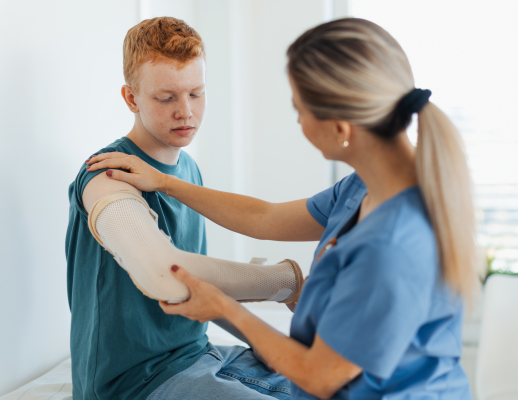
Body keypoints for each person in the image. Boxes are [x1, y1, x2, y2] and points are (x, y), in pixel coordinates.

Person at [87, 17, 478, 399]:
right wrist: (166, 183)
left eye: (299, 109)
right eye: (166, 97)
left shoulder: (392, 243)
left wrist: (228, 307)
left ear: (341, 129)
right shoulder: (364, 189)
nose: (185, 111)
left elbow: (321, 376)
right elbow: (264, 218)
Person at [67, 17, 290, 400]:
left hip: (199, 354)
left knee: (339, 386)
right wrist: (283, 282)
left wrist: (263, 339)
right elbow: (165, 275)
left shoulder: (187, 170)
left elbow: (196, 292)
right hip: (137, 383)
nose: (185, 112)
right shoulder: (105, 172)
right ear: (131, 98)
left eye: (196, 94)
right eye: (166, 98)